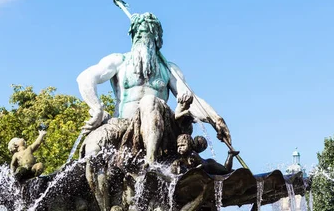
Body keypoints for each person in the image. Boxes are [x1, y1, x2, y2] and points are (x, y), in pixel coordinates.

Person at [77, 12, 231, 164]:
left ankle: (151, 163)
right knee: (94, 148)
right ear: (133, 37)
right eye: (138, 34)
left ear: (157, 39)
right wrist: (97, 108)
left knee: (149, 101)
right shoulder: (119, 61)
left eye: (149, 33)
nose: (142, 37)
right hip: (123, 124)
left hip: (162, 131)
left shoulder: (169, 69)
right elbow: (85, 78)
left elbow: (193, 101)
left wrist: (216, 120)